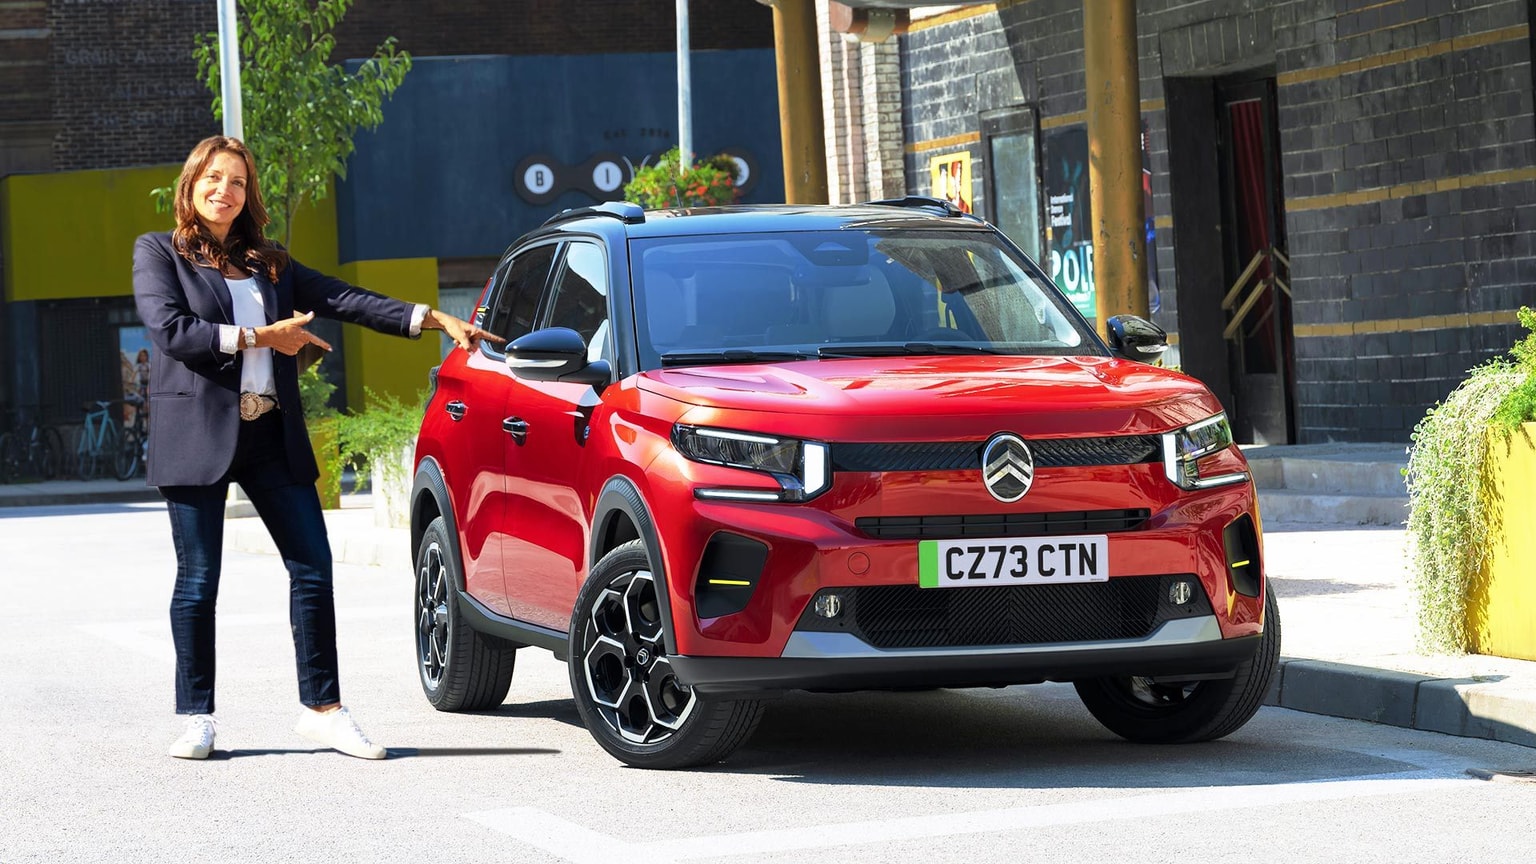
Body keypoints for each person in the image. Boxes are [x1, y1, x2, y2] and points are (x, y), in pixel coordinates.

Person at [132, 135, 501, 760]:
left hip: (270, 434)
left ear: (249, 194)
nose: (225, 191)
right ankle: (196, 716)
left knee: (312, 568)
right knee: (198, 580)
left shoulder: (269, 263)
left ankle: (323, 710)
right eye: (214, 178)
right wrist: (261, 336)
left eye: (238, 182)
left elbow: (343, 297)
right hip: (196, 436)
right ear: (191, 185)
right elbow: (172, 330)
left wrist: (431, 317)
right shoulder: (159, 252)